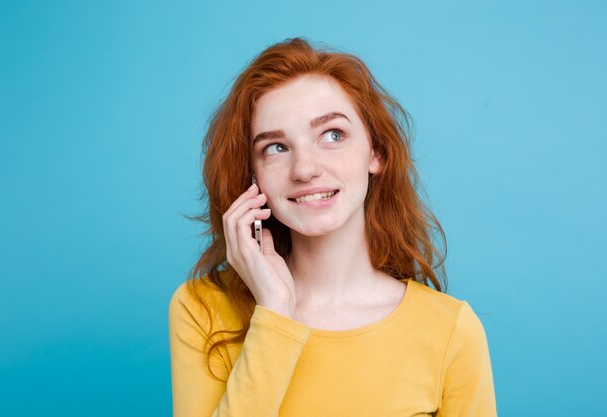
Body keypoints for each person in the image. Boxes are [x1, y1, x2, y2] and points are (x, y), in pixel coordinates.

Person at [169, 37, 497, 417]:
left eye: (332, 135)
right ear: (252, 176)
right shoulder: (202, 310)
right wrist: (274, 312)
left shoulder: (450, 330)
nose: (305, 169)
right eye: (275, 147)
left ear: (376, 152)